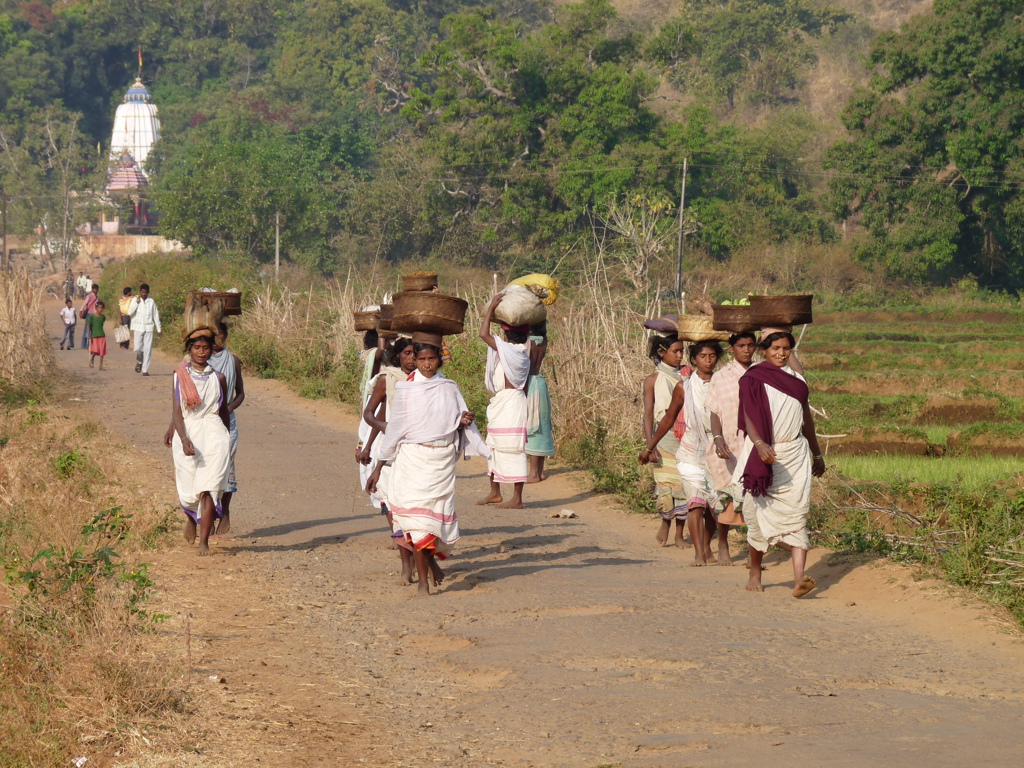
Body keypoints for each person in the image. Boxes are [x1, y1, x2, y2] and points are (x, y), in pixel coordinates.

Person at [365, 334, 489, 596]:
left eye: (431, 358)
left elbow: (452, 422)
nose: (426, 364)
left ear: (439, 360)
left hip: (440, 461)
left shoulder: (449, 388)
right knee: (416, 521)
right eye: (421, 359)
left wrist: (463, 420)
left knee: (432, 523)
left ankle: (430, 564)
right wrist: (378, 468)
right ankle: (422, 581)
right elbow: (397, 429)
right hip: (412, 460)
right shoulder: (406, 390)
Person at [738, 331, 826, 598]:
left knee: (797, 513)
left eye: (786, 348)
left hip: (795, 453)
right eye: (775, 348)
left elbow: (805, 419)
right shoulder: (753, 378)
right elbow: (748, 414)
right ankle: (755, 571)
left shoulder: (797, 380)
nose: (781, 353)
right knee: (756, 516)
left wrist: (817, 453)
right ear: (764, 350)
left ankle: (799, 579)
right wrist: (759, 443)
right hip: (765, 453)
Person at [640, 340, 722, 566]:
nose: (708, 360)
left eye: (712, 356)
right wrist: (650, 446)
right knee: (693, 500)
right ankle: (697, 550)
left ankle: (706, 543)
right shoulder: (682, 386)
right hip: (689, 446)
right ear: (694, 360)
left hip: (716, 449)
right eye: (703, 356)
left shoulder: (723, 384)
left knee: (715, 505)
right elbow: (666, 418)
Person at [167, 329, 231, 556]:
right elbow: (177, 411)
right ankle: (191, 520)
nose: (201, 352)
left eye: (205, 348)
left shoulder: (218, 378)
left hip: (214, 433)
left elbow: (223, 412)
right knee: (187, 487)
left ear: (211, 350)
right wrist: (182, 437)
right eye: (197, 348)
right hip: (189, 432)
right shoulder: (179, 376)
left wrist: (228, 439)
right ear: (190, 350)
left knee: (209, 487)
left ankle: (204, 540)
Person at [360, 337, 418, 585]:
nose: (412, 358)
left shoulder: (426, 382)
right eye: (407, 353)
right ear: (398, 356)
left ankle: (421, 560)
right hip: (391, 454)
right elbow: (373, 414)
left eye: (416, 353)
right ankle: (407, 566)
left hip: (417, 453)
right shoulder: (388, 379)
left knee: (416, 513)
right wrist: (372, 442)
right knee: (394, 512)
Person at [705, 331, 757, 565]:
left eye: (750, 345)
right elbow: (714, 411)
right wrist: (717, 439)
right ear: (731, 349)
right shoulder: (721, 377)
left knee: (755, 497)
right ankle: (723, 541)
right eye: (741, 346)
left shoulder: (761, 374)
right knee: (727, 496)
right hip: (729, 444)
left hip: (755, 444)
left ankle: (753, 550)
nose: (746, 350)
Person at [478, 293, 532, 509]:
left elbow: (483, 334)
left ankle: (517, 498)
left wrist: (491, 307)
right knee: (494, 447)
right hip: (506, 402)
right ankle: (495, 493)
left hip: (511, 405)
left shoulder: (512, 352)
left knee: (513, 449)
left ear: (507, 336)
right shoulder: (520, 352)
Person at [640, 333, 688, 547]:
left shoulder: (687, 376)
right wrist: (650, 445)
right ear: (662, 353)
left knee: (683, 486)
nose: (679, 356)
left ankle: (680, 533)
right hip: (663, 437)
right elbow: (649, 414)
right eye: (675, 351)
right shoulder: (653, 380)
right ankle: (666, 523)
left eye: (682, 351)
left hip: (685, 435)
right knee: (666, 486)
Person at [355, 325, 386, 512]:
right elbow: (381, 351)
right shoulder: (376, 357)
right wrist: (384, 328)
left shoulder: (373, 357)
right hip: (377, 407)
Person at [525, 322, 555, 483]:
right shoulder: (543, 341)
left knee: (533, 426)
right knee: (542, 425)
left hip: (530, 384)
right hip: (540, 383)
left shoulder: (526, 343)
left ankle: (533, 473)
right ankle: (540, 472)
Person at [128, 283, 162, 375]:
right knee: (138, 348)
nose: (143, 294)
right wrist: (136, 303)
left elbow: (155, 316)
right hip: (138, 327)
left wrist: (159, 329)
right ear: (140, 292)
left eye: (145, 293)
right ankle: (140, 361)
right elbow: (130, 312)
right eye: (142, 292)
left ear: (148, 292)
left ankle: (145, 370)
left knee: (148, 349)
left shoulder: (151, 302)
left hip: (149, 327)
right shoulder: (135, 300)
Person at [87, 301, 107, 369]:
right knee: (95, 350)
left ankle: (100, 366)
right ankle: (92, 359)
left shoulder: (103, 317)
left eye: (101, 308)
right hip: (94, 336)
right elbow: (89, 325)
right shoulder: (92, 317)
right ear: (96, 308)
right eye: (99, 308)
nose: (100, 309)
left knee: (102, 352)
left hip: (101, 335)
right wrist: (89, 334)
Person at [79, 282, 100, 350]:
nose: (95, 290)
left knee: (92, 330)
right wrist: (81, 311)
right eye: (94, 289)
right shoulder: (89, 296)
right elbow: (84, 304)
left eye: (96, 289)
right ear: (92, 289)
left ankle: (90, 345)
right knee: (86, 330)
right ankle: (84, 345)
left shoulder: (97, 298)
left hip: (95, 315)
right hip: (89, 314)